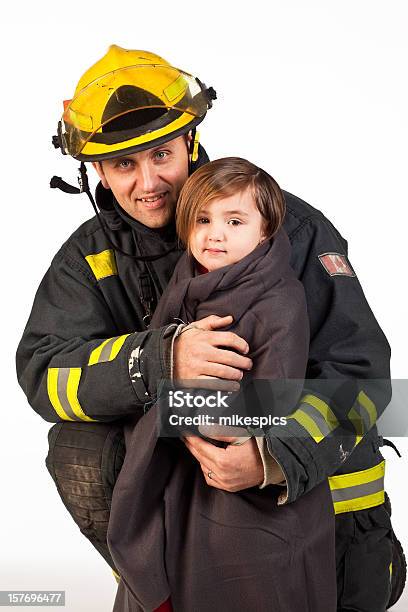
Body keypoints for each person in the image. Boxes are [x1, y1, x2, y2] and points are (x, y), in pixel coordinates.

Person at [15, 45, 399, 611]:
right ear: (95, 169)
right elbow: (43, 374)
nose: (149, 183)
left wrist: (274, 456)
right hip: (190, 503)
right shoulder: (88, 259)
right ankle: (164, 586)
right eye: (124, 164)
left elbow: (363, 375)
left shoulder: (291, 228)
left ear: (190, 142)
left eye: (162, 155)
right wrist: (156, 361)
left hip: (323, 520)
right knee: (75, 446)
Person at [107, 156, 336, 611]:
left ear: (266, 230)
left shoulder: (278, 302)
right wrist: (164, 366)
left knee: (242, 575)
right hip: (185, 459)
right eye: (204, 220)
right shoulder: (189, 277)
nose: (215, 234)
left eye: (234, 221)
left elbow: (276, 400)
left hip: (247, 464)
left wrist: (180, 412)